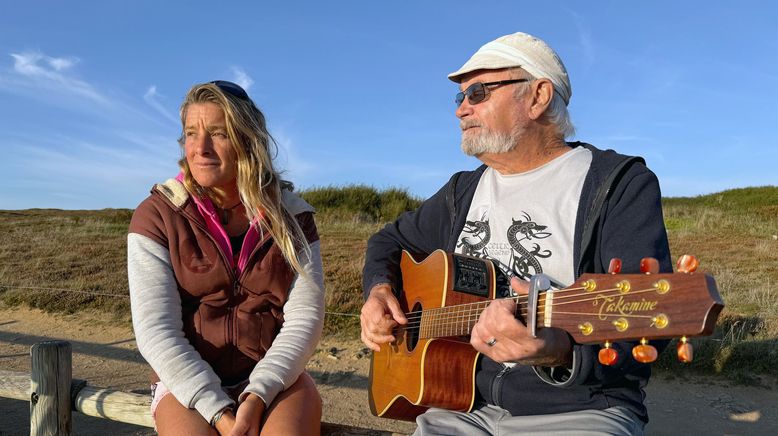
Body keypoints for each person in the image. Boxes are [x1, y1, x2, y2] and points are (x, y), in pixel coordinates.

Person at [360, 32, 671, 435]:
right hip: (460, 404)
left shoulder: (617, 184)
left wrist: (559, 350)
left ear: (538, 96)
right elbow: (388, 241)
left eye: (477, 93)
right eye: (460, 98)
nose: (460, 110)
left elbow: (644, 319)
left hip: (578, 409)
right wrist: (379, 290)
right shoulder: (462, 190)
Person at [128, 80, 324, 436]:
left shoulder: (294, 218)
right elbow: (156, 331)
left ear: (248, 141)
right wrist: (218, 410)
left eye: (218, 133)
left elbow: (305, 319)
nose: (200, 148)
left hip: (276, 379)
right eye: (191, 133)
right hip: (185, 383)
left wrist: (258, 395)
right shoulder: (156, 215)